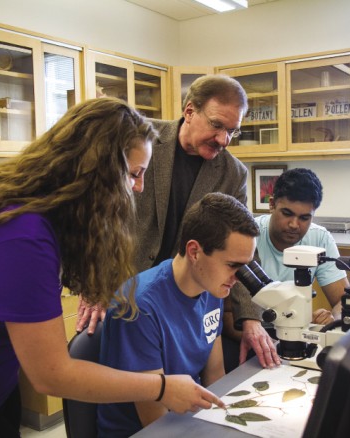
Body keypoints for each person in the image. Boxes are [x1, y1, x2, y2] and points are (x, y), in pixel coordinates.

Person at [0, 98, 223, 437]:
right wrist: (160, 387)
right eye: (133, 174)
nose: (139, 187)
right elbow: (51, 374)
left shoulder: (43, 220)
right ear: (96, 171)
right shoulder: (19, 235)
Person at [75, 74, 282, 368]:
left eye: (232, 131)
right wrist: (91, 281)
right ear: (189, 111)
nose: (223, 139)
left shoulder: (232, 173)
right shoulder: (140, 139)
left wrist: (250, 318)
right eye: (216, 125)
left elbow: (242, 247)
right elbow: (95, 210)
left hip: (178, 299)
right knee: (108, 386)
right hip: (118, 291)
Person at [97, 193, 260, 437]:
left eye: (244, 267)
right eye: (233, 265)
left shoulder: (213, 288)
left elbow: (214, 376)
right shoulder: (139, 306)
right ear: (194, 251)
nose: (239, 278)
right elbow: (155, 420)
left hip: (189, 417)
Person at [225, 168, 350, 371]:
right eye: (287, 213)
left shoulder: (320, 238)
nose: (294, 224)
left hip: (300, 335)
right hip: (252, 333)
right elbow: (228, 315)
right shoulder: (247, 238)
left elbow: (343, 301)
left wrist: (331, 324)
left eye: (304, 218)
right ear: (272, 204)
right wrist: (268, 340)